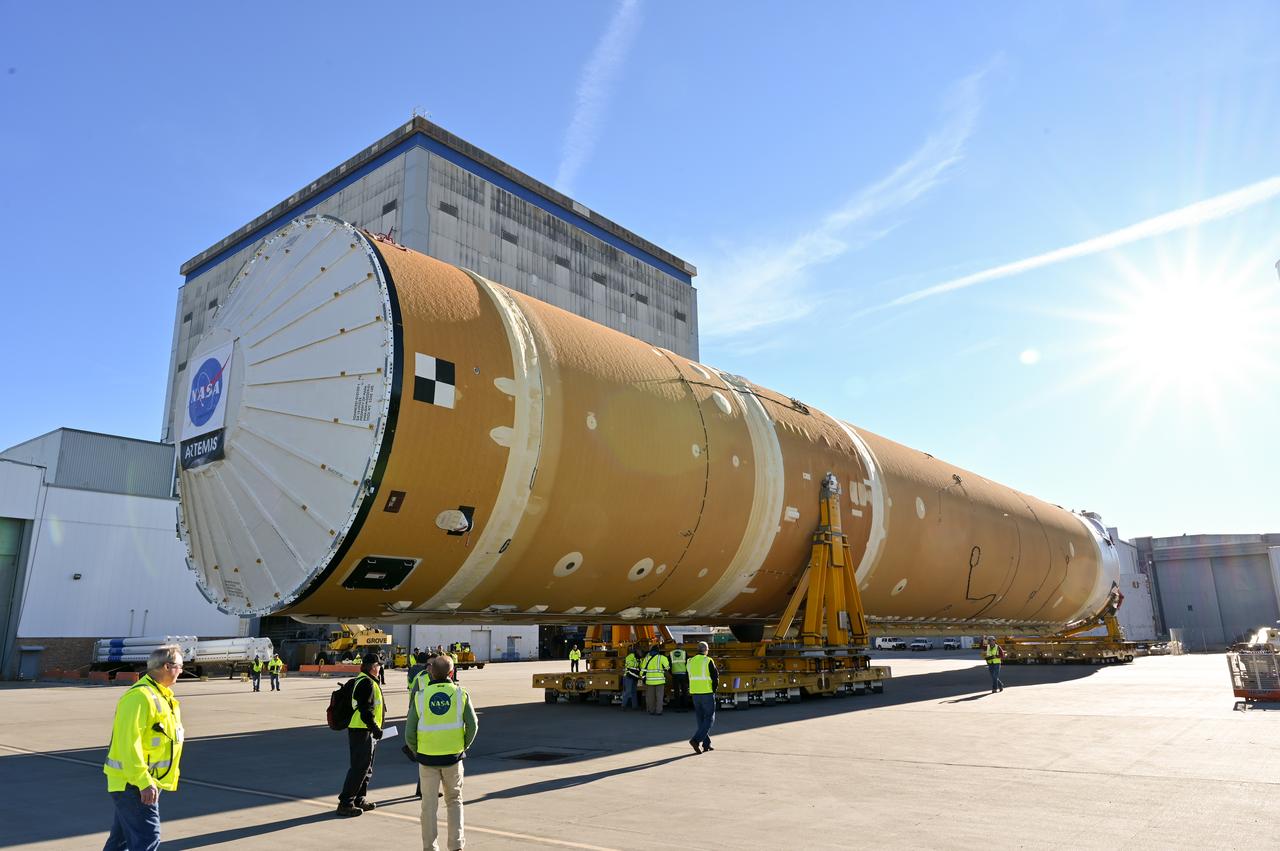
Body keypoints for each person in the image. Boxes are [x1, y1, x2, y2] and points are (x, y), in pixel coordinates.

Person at [103, 644, 186, 850]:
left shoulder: (163, 696)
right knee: (147, 839)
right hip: (134, 782)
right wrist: (143, 781)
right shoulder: (140, 697)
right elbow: (128, 743)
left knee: (120, 841)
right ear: (167, 666)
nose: (182, 671)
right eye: (180, 666)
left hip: (145, 781)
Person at [405, 654, 478, 851]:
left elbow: (409, 732)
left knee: (428, 806)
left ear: (430, 673)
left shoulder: (420, 697)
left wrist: (417, 750)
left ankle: (430, 847)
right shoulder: (460, 694)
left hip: (427, 759)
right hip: (453, 758)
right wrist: (463, 746)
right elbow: (473, 725)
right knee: (454, 801)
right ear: (452, 673)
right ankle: (456, 845)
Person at [337, 653, 385, 817]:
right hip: (361, 730)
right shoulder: (366, 683)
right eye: (379, 666)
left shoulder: (367, 681)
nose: (380, 668)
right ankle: (346, 803)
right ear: (373, 667)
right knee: (359, 768)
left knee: (366, 768)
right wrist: (375, 728)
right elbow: (365, 710)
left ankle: (359, 799)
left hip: (365, 730)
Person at [687, 641, 718, 753]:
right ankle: (696, 740)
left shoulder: (690, 661)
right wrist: (713, 691)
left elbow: (689, 677)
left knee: (701, 719)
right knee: (710, 718)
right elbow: (715, 678)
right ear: (706, 650)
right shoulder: (708, 660)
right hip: (707, 693)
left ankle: (706, 744)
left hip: (695, 693)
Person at [641, 644, 670, 715]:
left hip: (649, 681)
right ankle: (659, 711)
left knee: (651, 697)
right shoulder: (662, 658)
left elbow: (642, 670)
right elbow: (667, 668)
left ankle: (651, 710)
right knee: (659, 697)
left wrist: (643, 678)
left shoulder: (646, 658)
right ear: (658, 651)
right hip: (660, 681)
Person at [668, 644, 688, 710]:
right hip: (683, 674)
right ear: (682, 647)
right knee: (684, 691)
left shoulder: (671, 653)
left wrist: (671, 672)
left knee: (676, 691)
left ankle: (677, 707)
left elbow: (669, 664)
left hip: (675, 674)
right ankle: (685, 707)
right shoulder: (684, 653)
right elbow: (688, 663)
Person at [621, 645, 641, 710]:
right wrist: (637, 664)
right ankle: (623, 706)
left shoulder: (639, 658)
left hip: (634, 676)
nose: (640, 652)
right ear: (636, 651)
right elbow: (629, 663)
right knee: (628, 691)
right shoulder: (631, 656)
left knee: (634, 691)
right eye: (639, 651)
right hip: (628, 676)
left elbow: (641, 666)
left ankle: (635, 706)